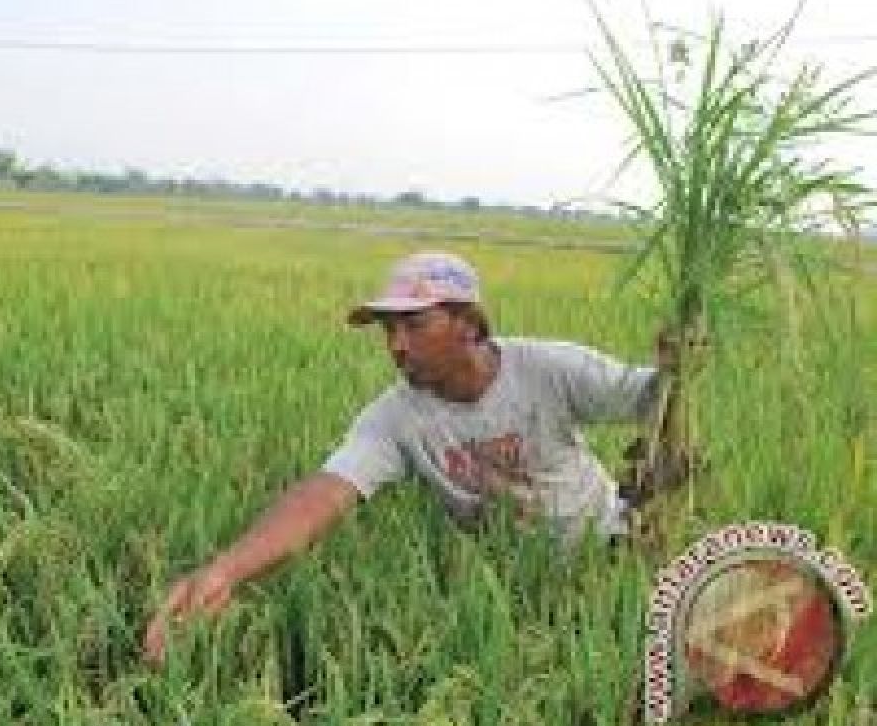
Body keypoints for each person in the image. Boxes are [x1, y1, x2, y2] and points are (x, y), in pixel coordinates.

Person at [144, 251, 669, 664]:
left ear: (467, 324)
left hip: (608, 556)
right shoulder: (395, 418)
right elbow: (326, 492)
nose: (396, 345)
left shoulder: (549, 369)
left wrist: (679, 366)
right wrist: (226, 572)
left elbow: (654, 397)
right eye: (388, 330)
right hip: (510, 587)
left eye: (413, 325)